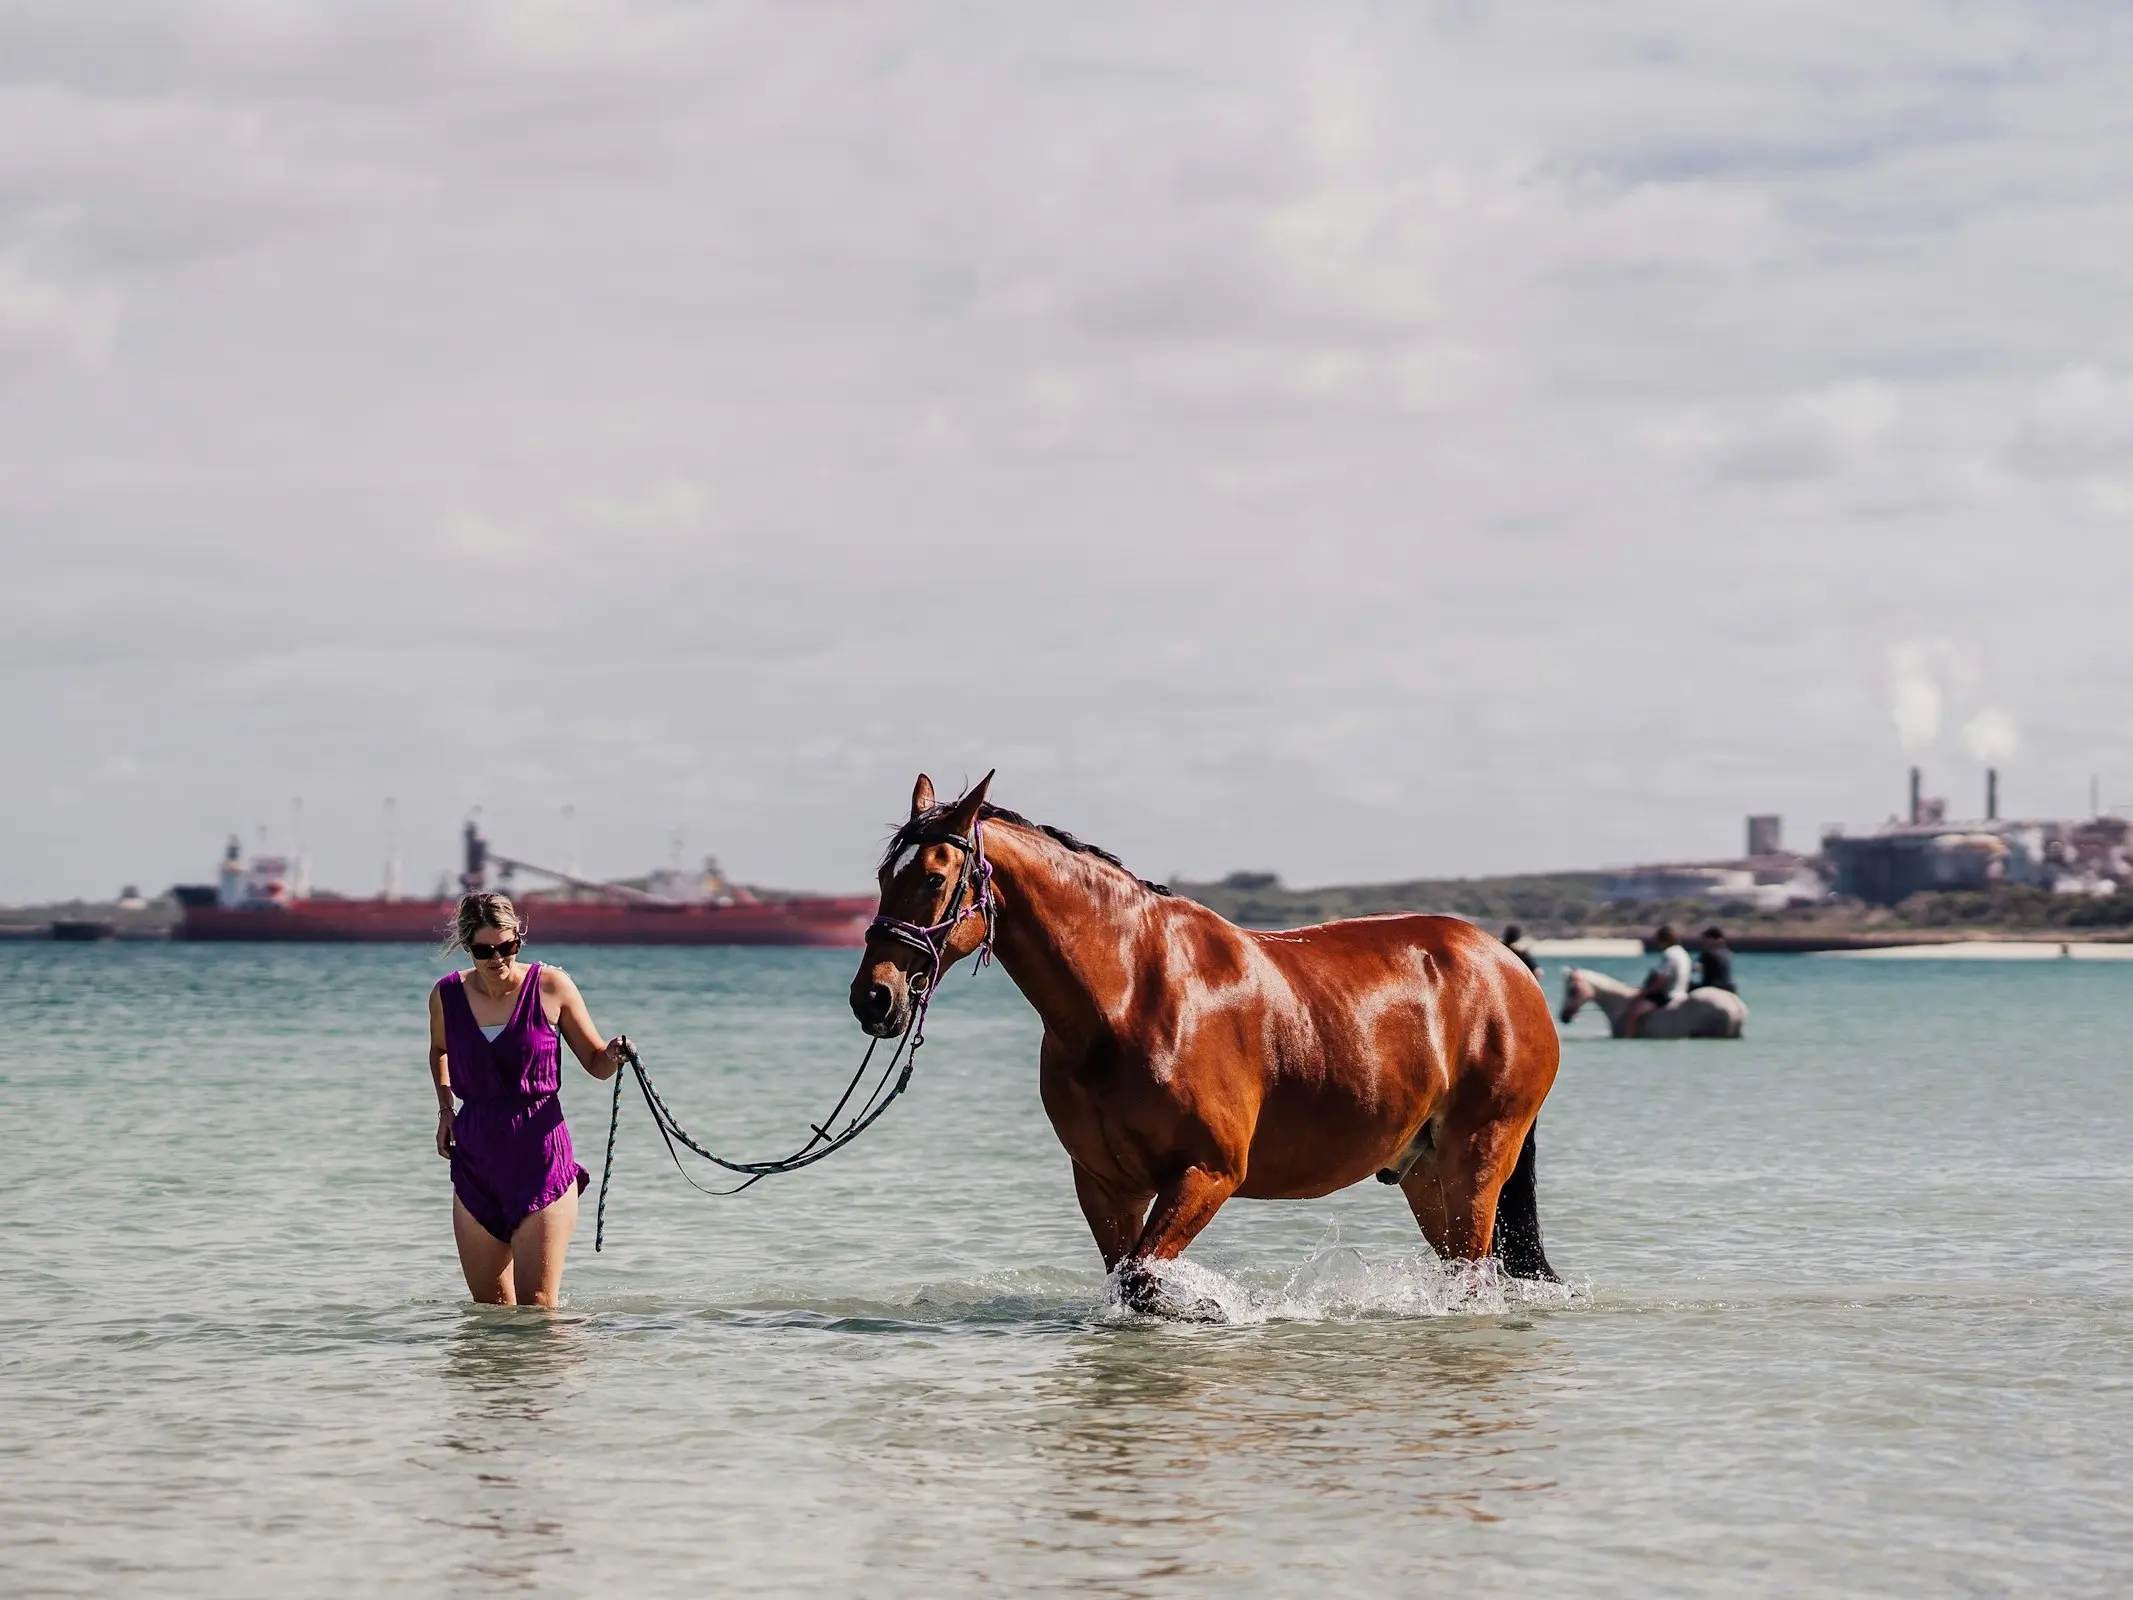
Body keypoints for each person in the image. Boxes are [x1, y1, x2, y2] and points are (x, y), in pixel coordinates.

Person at [429, 892, 629, 1307]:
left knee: (537, 1305)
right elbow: (440, 1050)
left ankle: (546, 1373)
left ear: (518, 940)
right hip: (476, 1157)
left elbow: (595, 1062)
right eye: (486, 950)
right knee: (488, 1310)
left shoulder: (552, 986)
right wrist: (446, 1109)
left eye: (508, 946)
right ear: (468, 947)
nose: (498, 958)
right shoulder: (446, 995)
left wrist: (613, 1054)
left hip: (540, 1152)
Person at [1621, 923, 1692, 1038]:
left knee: (1633, 1013)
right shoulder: (1683, 952)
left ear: (1663, 940)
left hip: (1670, 995)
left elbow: (1662, 979)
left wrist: (1646, 991)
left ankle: (1628, 1039)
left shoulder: (1669, 954)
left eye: (1658, 941)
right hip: (1683, 992)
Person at [1697, 926, 1736, 993]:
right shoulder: (1727, 952)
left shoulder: (1708, 953)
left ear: (1712, 939)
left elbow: (1695, 968)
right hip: (1726, 987)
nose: (1703, 942)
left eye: (1705, 939)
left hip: (1710, 986)